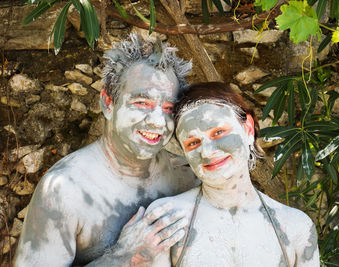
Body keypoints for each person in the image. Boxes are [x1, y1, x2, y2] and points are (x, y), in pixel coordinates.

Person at [14, 34, 199, 267]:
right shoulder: (64, 191)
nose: (158, 122)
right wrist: (123, 256)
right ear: (107, 103)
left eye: (168, 108)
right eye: (142, 103)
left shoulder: (185, 175)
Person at [146, 82, 320, 267]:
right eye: (193, 143)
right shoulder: (168, 218)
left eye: (218, 132)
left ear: (248, 129)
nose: (207, 152)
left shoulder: (296, 227)